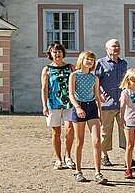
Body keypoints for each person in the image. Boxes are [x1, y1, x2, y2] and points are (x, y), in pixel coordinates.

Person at [95, 39, 135, 167]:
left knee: (126, 130)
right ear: (107, 49)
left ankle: (127, 157)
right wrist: (100, 94)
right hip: (107, 103)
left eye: (118, 46)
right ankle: (104, 156)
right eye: (114, 46)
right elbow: (95, 81)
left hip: (123, 103)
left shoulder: (124, 63)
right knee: (105, 131)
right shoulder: (100, 63)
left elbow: (127, 82)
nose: (116, 48)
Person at [69, 50, 107, 184]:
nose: (90, 61)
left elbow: (97, 97)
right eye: (88, 59)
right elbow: (71, 94)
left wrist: (100, 114)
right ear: (82, 60)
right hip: (79, 107)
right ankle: (78, 171)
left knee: (96, 141)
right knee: (79, 141)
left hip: (92, 109)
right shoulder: (74, 75)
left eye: (92, 60)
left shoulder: (94, 78)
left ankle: (98, 173)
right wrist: (78, 108)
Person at [40, 41, 76, 170]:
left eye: (59, 51)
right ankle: (58, 159)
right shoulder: (47, 69)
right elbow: (44, 89)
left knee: (70, 129)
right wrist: (44, 105)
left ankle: (68, 156)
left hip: (69, 103)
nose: (57, 54)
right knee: (56, 132)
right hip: (53, 103)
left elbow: (76, 83)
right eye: (54, 51)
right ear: (50, 53)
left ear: (63, 53)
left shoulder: (70, 67)